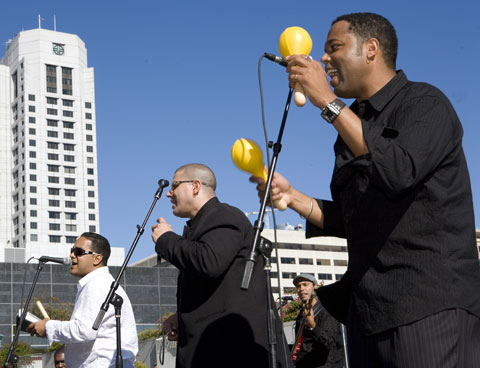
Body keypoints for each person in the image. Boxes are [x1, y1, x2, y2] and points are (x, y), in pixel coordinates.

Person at [251, 12, 480, 368]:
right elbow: (352, 218)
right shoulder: (351, 129)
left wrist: (328, 103)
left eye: (334, 47)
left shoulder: (425, 103)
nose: (323, 58)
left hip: (426, 306)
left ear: (371, 49)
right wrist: (294, 197)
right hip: (367, 312)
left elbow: (400, 171)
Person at [151, 163, 292, 368]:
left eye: (175, 185)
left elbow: (209, 262)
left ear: (196, 186)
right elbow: (217, 289)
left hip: (230, 350)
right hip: (211, 349)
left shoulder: (224, 216)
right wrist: (181, 318)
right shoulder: (199, 226)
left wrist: (166, 239)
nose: (169, 193)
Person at [27, 232, 138, 367]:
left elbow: (85, 330)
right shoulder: (100, 283)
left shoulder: (97, 284)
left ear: (96, 259)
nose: (72, 255)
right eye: (72, 250)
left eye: (79, 252)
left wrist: (48, 327)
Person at [291, 274, 344, 368]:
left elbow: (331, 343)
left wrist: (313, 326)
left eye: (305, 284)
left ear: (314, 287)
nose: (301, 289)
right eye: (298, 286)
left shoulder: (327, 311)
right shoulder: (301, 314)